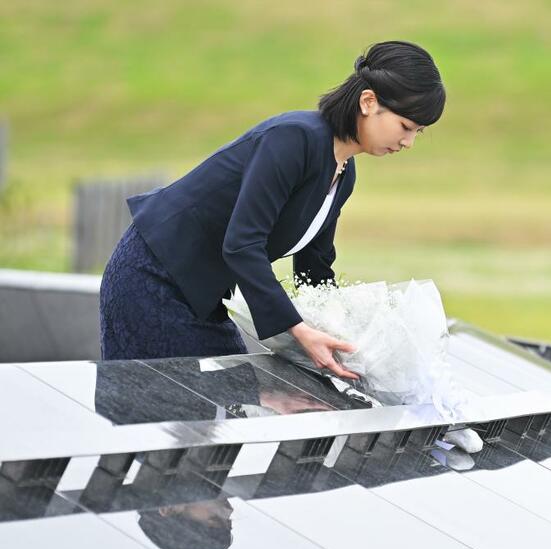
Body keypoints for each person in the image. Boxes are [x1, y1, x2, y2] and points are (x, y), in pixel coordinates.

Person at [99, 40, 446, 378]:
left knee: (226, 405)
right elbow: (242, 244)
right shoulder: (294, 139)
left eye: (419, 132)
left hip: (200, 294)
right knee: (205, 407)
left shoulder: (343, 172)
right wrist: (297, 329)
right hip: (152, 279)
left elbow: (315, 268)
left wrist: (350, 336)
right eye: (405, 126)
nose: (408, 142)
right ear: (368, 102)